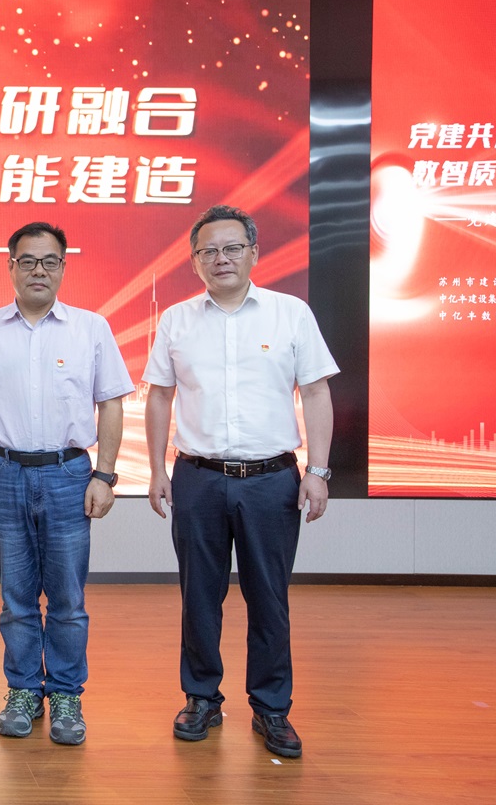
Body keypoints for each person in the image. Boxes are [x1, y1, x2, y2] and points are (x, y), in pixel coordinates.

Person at [143, 204, 338, 759]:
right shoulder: (177, 319)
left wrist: (318, 471)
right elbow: (159, 395)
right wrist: (156, 470)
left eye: (232, 248)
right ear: (194, 261)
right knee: (199, 597)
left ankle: (272, 707)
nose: (221, 258)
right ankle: (201, 698)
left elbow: (316, 392)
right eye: (208, 251)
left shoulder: (290, 313)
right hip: (198, 478)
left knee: (269, 598)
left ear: (254, 252)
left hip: (272, 480)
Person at [0, 221, 133, 745]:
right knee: (15, 596)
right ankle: (22, 690)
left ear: (63, 267)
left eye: (50, 261)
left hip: (69, 473)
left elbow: (111, 403)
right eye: (28, 261)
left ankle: (66, 694)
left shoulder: (91, 328)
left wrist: (105, 474)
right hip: (4, 471)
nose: (39, 270)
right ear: (10, 266)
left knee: (67, 598)